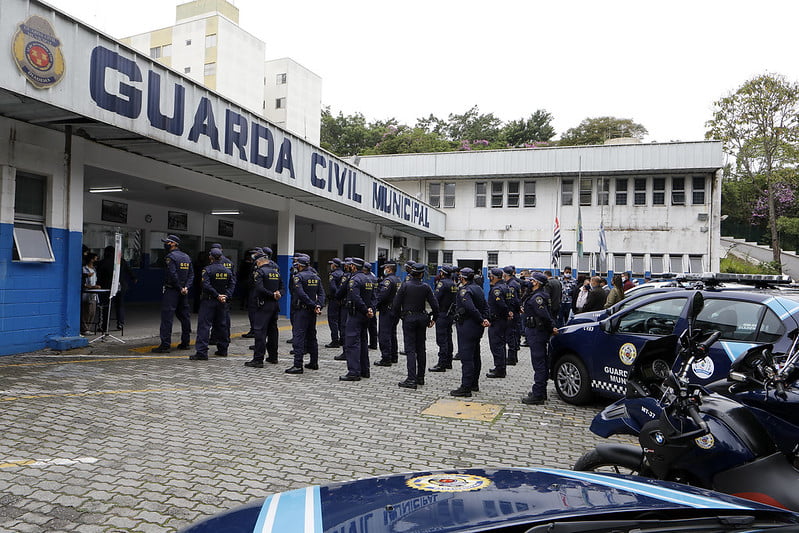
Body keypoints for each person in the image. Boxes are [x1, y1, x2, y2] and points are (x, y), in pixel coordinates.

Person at [393, 263, 439, 389]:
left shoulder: (405, 286)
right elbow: (435, 306)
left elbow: (396, 304)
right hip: (422, 319)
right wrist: (434, 318)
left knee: (410, 350)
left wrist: (400, 316)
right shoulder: (426, 287)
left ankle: (411, 379)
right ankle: (420, 377)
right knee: (421, 349)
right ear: (422, 274)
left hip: (409, 319)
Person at [450, 267, 490, 398]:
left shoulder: (464, 291)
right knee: (475, 356)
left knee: (467, 358)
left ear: (462, 278)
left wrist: (481, 319)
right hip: (477, 327)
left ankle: (466, 387)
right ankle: (474, 383)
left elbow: (470, 308)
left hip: (468, 326)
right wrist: (485, 319)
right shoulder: (478, 288)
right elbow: (485, 306)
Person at [521, 272, 558, 405]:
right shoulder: (537, 295)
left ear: (536, 282)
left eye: (531, 280)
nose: (529, 282)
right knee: (540, 362)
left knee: (539, 363)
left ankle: (538, 394)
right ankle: (541, 391)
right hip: (536, 331)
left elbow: (544, 315)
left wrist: (551, 327)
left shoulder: (538, 297)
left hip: (537, 332)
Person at [191, 248, 235, 360]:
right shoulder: (227, 271)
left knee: (204, 326)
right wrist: (225, 295)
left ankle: (201, 352)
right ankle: (223, 349)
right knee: (222, 325)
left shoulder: (207, 270)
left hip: (209, 301)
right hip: (222, 302)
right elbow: (232, 284)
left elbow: (205, 285)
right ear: (221, 257)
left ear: (210, 257)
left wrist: (216, 295)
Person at [152, 235, 193, 353]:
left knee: (167, 318)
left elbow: (172, 274)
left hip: (172, 290)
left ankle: (165, 345)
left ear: (174, 244)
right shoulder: (186, 257)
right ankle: (185, 342)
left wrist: (180, 287)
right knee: (185, 317)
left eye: (168, 242)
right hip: (183, 291)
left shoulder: (170, 257)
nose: (166, 244)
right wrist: (186, 287)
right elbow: (191, 275)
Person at [286, 256, 325, 374]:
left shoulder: (298, 277)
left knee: (299, 337)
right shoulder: (316, 277)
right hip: (312, 312)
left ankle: (298, 365)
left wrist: (313, 305)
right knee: (312, 336)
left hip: (302, 311)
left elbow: (301, 294)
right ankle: (314, 362)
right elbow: (322, 294)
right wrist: (318, 306)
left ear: (300, 265)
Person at [246, 250, 284, 367]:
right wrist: (278, 294)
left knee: (260, 332)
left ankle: (258, 359)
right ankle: (273, 357)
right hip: (274, 306)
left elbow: (259, 288)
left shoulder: (260, 272)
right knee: (273, 332)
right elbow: (282, 287)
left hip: (263, 305)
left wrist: (271, 294)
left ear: (259, 261)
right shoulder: (275, 272)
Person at [340, 258, 375, 381]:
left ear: (354, 267)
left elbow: (356, 297)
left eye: (351, 265)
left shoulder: (354, 279)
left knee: (352, 343)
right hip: (366, 316)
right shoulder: (369, 278)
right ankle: (365, 370)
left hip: (356, 314)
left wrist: (366, 310)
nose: (349, 267)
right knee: (363, 342)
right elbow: (373, 298)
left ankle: (354, 372)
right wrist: (370, 310)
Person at [96, 245, 137, 331]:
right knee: (120, 305)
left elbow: (99, 275)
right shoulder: (121, 261)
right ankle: (120, 324)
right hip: (120, 286)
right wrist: (134, 278)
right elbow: (129, 271)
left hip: (107, 287)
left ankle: (105, 326)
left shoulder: (103, 262)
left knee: (106, 306)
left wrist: (98, 284)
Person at [430, 265, 458, 372]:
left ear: (442, 273)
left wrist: (433, 314)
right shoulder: (453, 284)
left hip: (442, 314)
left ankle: (441, 364)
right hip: (450, 314)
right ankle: (448, 362)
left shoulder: (442, 283)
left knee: (442, 339)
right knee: (448, 338)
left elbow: (435, 299)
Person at [374, 263, 401, 367]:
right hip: (396, 310)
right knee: (392, 334)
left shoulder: (388, 281)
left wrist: (375, 305)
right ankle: (394, 356)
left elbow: (382, 296)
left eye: (385, 268)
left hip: (387, 310)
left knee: (384, 334)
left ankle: (386, 358)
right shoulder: (398, 280)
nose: (384, 270)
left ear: (389, 269)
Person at [486, 268, 511, 379]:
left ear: (494, 277)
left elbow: (501, 304)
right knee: (500, 344)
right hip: (502, 320)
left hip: (497, 320)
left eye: (490, 276)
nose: (489, 278)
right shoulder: (505, 287)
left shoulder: (497, 289)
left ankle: (500, 369)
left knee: (496, 345)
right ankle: (500, 367)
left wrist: (507, 313)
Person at [502, 266, 522, 365]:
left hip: (512, 313)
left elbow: (514, 301)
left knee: (511, 335)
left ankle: (511, 358)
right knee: (512, 335)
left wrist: (511, 311)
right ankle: (513, 357)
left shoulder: (511, 285)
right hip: (515, 312)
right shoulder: (513, 283)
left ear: (505, 274)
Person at [325, 258, 344, 348]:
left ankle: (335, 340)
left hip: (334, 300)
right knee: (340, 320)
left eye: (331, 264)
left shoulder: (333, 275)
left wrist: (337, 296)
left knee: (333, 320)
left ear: (335, 265)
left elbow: (333, 288)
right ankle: (342, 339)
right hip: (342, 301)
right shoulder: (343, 274)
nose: (330, 266)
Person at [81, 252, 100, 335]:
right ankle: (85, 328)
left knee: (92, 311)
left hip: (93, 293)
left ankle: (89, 327)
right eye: (95, 258)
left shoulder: (94, 269)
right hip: (87, 292)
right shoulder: (84, 269)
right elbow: (83, 282)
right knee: (86, 311)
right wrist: (91, 287)